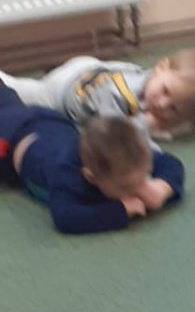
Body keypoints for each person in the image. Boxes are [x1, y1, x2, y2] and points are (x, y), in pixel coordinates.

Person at [0, 88, 184, 235]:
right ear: (91, 177)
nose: (139, 188)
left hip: (51, 122)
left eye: (144, 176)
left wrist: (163, 187)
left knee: (8, 103)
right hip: (8, 140)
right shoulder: (66, 174)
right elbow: (65, 217)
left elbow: (171, 163)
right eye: (126, 186)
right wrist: (120, 210)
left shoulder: (130, 157)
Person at [0, 47, 195, 141]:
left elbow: (194, 107)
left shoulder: (157, 79)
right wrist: (148, 124)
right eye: (165, 91)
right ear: (161, 66)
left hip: (93, 66)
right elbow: (116, 134)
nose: (162, 104)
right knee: (21, 92)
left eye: (174, 109)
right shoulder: (120, 96)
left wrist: (193, 114)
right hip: (63, 91)